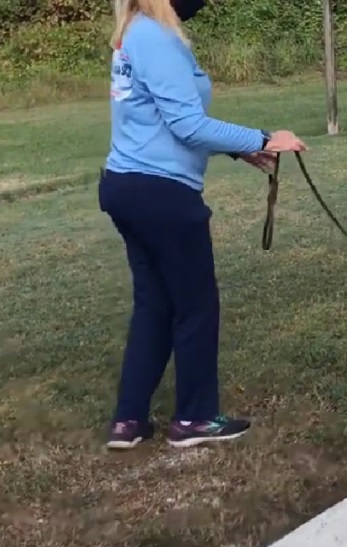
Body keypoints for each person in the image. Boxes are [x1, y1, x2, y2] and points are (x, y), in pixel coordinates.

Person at [99, 0, 307, 450]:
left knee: (154, 303)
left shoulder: (134, 31)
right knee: (195, 306)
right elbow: (188, 125)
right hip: (161, 194)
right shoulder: (155, 37)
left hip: (128, 186)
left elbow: (160, 122)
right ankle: (194, 419)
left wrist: (237, 150)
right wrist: (265, 139)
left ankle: (128, 420)